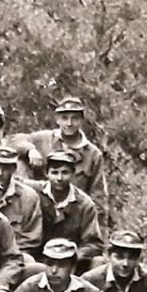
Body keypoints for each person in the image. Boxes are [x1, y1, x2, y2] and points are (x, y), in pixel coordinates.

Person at [10, 96, 109, 227]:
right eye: (64, 118)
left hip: (72, 218)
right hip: (40, 213)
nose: (69, 123)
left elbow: (98, 197)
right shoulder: (44, 139)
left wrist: (98, 229)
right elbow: (14, 141)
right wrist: (30, 150)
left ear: (81, 120)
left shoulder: (92, 154)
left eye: (74, 118)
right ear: (57, 119)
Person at [25, 150, 103, 272]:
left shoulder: (84, 204)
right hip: (38, 259)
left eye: (65, 173)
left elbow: (94, 243)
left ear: (73, 174)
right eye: (54, 173)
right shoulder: (33, 192)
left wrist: (73, 256)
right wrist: (29, 149)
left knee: (99, 262)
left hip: (71, 262)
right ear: (46, 173)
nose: (59, 178)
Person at [0, 145, 42, 261]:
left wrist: (8, 258)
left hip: (14, 257)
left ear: (14, 169)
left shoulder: (28, 197)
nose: (0, 173)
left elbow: (31, 239)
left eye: (5, 168)